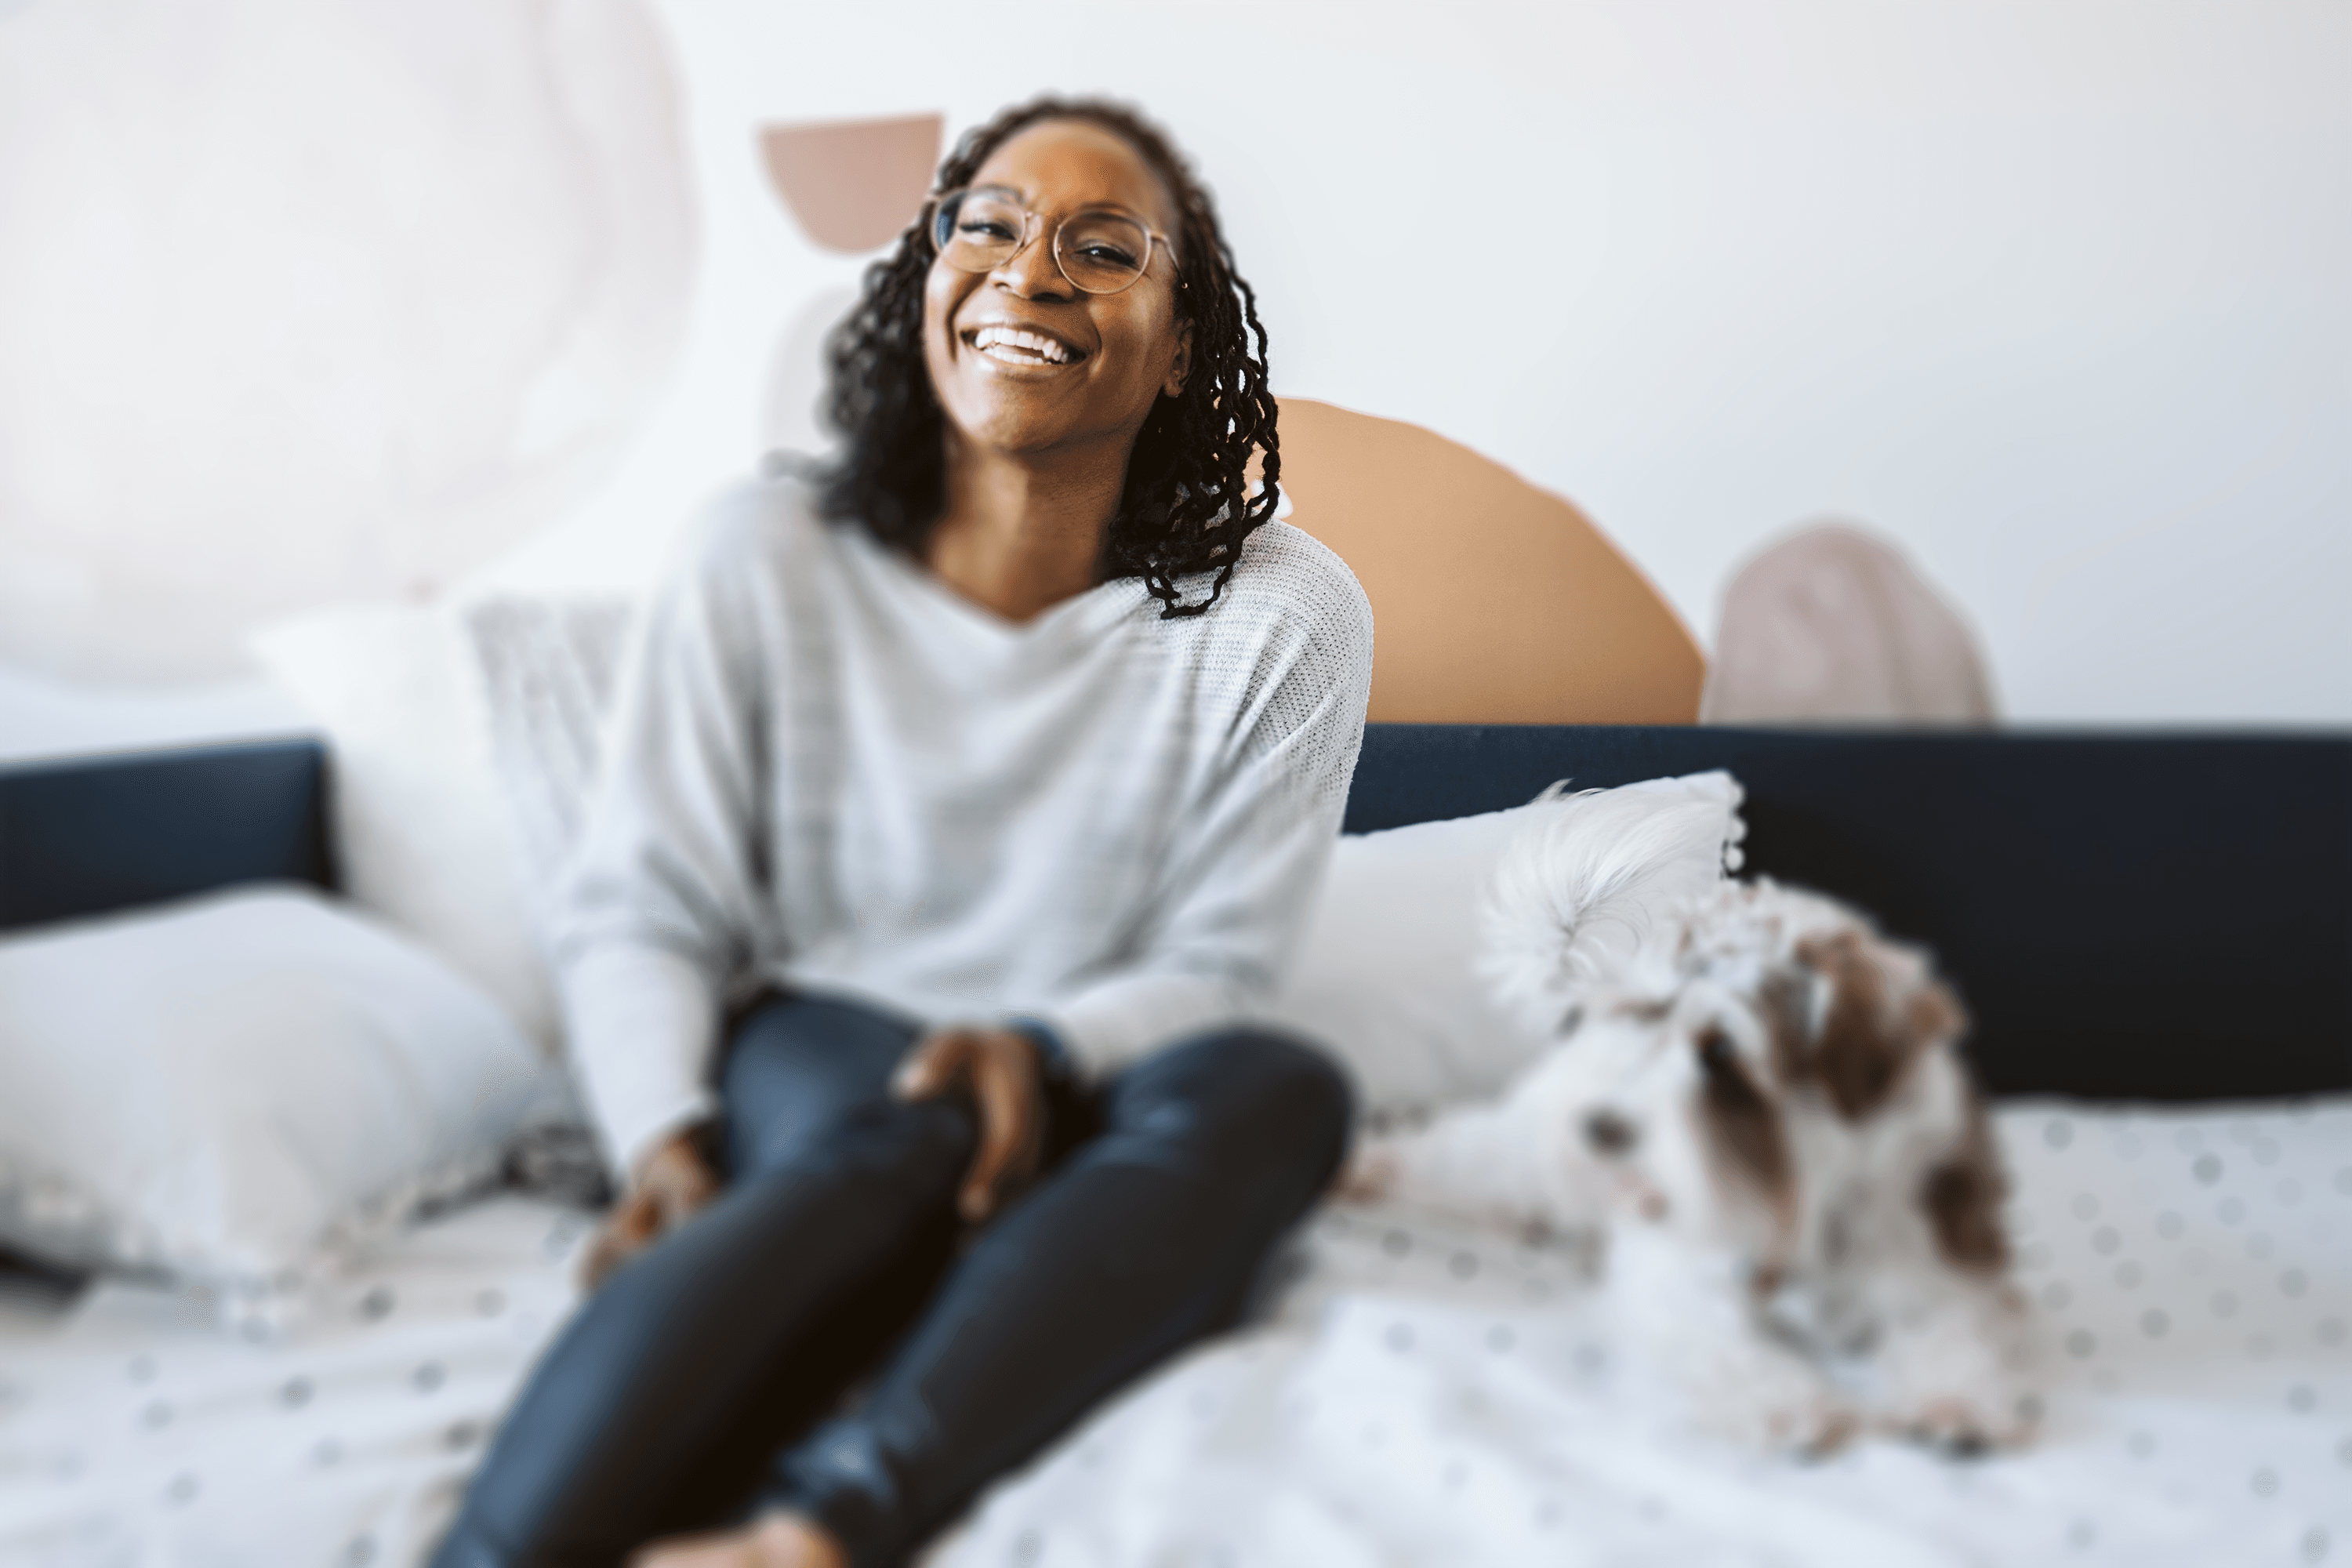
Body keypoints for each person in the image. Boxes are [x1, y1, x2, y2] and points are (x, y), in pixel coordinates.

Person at [430, 97, 1374, 1568]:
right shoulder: (766, 552)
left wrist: (1035, 1051)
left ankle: (809, 1538)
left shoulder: (1282, 617)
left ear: (1182, 342)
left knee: (1276, 1089)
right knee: (910, 1134)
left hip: (1099, 1082)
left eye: (1104, 246)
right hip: (823, 1047)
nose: (1030, 270)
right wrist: (666, 1139)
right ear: (922, 286)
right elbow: (645, 902)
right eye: (983, 226)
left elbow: (1227, 964)